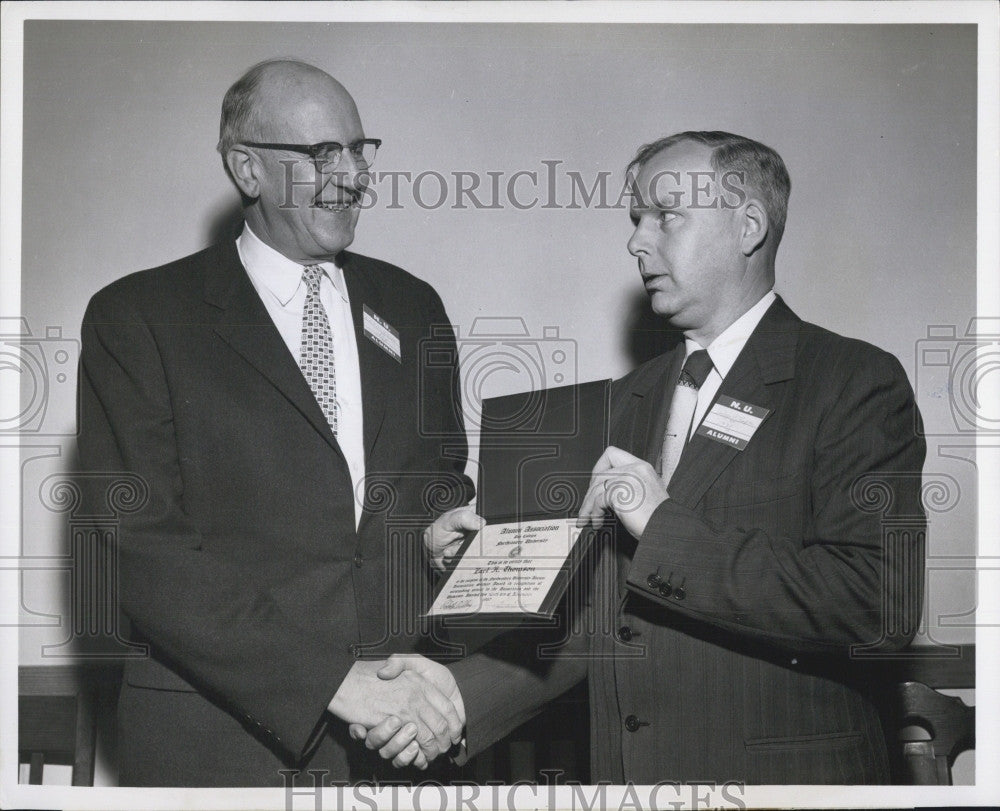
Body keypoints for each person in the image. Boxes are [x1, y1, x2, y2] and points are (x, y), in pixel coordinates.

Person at [359, 131, 926, 784]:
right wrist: (462, 682)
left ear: (748, 227)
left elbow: (878, 603)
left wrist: (662, 526)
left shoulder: (851, 381)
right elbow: (598, 622)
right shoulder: (619, 403)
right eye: (635, 219)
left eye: (666, 215)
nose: (636, 241)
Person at [77, 59, 473, 786]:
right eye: (323, 154)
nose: (353, 175)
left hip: (398, 742)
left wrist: (442, 536)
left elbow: (438, 478)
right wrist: (331, 682)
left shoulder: (413, 305)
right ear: (247, 169)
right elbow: (141, 548)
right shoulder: (138, 318)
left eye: (361, 150)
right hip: (217, 746)